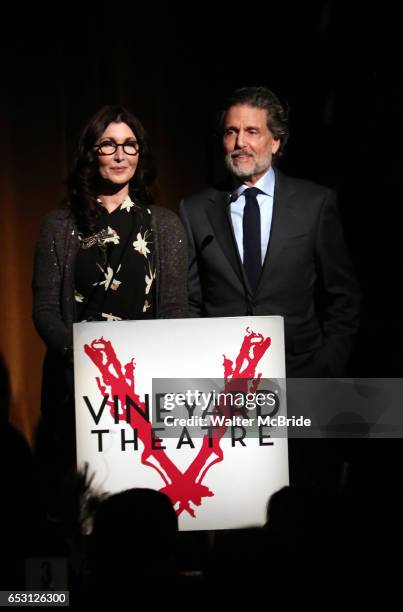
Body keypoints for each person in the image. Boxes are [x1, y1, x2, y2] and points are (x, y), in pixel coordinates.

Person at [32, 105, 187, 512]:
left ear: (141, 154)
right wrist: (80, 360)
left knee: (142, 503)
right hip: (77, 387)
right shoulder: (59, 224)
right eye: (108, 145)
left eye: (129, 145)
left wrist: (150, 365)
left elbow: (174, 308)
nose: (120, 155)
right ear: (90, 153)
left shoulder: (164, 224)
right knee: (81, 510)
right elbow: (46, 309)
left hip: (142, 389)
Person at [179, 86, 360, 378]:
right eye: (231, 132)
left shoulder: (314, 203)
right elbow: (190, 302)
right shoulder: (195, 209)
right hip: (224, 380)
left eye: (252, 131)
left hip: (303, 375)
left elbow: (343, 298)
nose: (240, 142)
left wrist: (328, 365)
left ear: (276, 141)